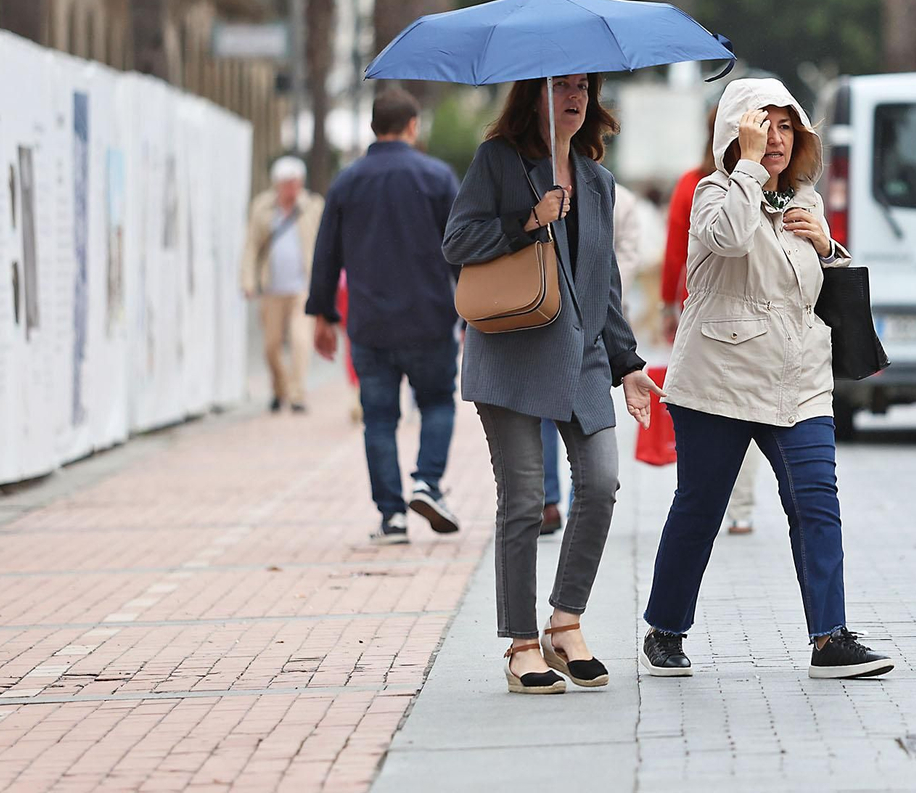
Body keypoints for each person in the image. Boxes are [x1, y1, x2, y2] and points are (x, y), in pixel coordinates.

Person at [641, 76, 893, 681]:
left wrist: (829, 247)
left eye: (786, 126)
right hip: (719, 379)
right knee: (700, 508)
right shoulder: (714, 193)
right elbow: (726, 238)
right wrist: (748, 169)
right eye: (762, 126)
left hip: (799, 378)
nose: (776, 138)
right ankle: (666, 628)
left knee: (817, 504)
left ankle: (829, 638)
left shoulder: (804, 201)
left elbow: (806, 290)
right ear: (735, 134)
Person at [443, 73, 663, 695]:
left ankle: (565, 624)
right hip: (512, 349)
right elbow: (455, 241)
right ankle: (519, 645)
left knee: (601, 480)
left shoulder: (597, 180)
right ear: (532, 95)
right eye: (561, 86)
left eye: (583, 88)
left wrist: (629, 366)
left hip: (585, 353)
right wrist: (525, 221)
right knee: (524, 499)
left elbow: (606, 284)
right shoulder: (499, 162)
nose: (574, 98)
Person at [306, 87, 463, 546]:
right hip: (430, 319)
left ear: (374, 127)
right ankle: (427, 483)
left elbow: (326, 252)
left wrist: (323, 314)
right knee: (435, 403)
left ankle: (392, 517)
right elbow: (460, 249)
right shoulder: (437, 177)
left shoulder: (347, 181)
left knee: (379, 419)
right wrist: (474, 315)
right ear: (413, 126)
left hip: (370, 325)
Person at [660, 107, 763, 535]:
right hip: (755, 314)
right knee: (750, 403)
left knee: (709, 406)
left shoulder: (693, 184)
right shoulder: (762, 185)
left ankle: (707, 501)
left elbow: (674, 252)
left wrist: (669, 303)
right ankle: (740, 507)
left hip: (701, 313)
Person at [541, 181, 645, 536]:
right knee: (544, 413)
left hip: (598, 323)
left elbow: (624, 260)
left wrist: (594, 289)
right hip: (544, 318)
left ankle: (575, 501)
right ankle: (548, 500)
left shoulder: (615, 195)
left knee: (586, 430)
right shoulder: (535, 184)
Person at [241, 156, 324, 414]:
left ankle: (297, 394)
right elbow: (251, 246)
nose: (292, 188)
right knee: (271, 346)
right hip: (272, 287)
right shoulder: (262, 208)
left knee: (301, 341)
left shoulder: (312, 206)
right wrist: (247, 280)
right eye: (287, 183)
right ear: (277, 184)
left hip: (303, 287)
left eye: (296, 182)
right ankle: (279, 389)